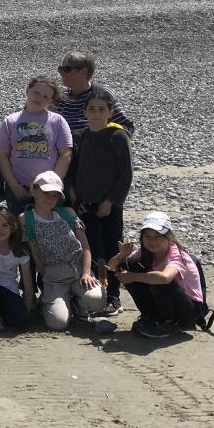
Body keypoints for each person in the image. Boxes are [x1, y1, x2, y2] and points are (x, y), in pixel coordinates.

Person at [68, 86, 134, 316]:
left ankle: (114, 296)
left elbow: (125, 173)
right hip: (84, 205)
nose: (96, 113)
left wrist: (111, 201)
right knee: (90, 248)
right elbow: (72, 173)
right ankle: (93, 294)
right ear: (85, 112)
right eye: (91, 109)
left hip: (109, 206)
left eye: (101, 109)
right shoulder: (80, 137)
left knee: (111, 248)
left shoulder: (117, 136)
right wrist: (75, 200)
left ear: (110, 111)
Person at [21, 171, 108, 333]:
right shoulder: (25, 218)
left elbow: (86, 247)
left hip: (79, 270)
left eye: (54, 195)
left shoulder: (68, 213)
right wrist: (45, 274)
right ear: (33, 190)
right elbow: (34, 251)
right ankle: (52, 301)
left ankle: (78, 303)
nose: (49, 198)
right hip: (54, 275)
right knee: (57, 324)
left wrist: (87, 273)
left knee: (98, 302)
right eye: (46, 193)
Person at [108, 212, 207, 340]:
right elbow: (110, 266)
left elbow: (165, 277)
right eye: (147, 237)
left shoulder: (177, 255)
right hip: (165, 302)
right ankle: (151, 315)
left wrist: (132, 277)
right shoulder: (146, 252)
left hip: (188, 312)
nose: (152, 241)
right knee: (128, 264)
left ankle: (170, 324)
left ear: (168, 237)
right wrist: (121, 256)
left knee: (158, 280)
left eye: (157, 237)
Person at [0, 75, 71, 215]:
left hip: (49, 191)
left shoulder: (58, 121)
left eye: (45, 97)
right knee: (20, 230)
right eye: (36, 92)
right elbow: (2, 154)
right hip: (19, 188)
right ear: (27, 90)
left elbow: (65, 153)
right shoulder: (10, 121)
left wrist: (53, 184)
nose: (39, 98)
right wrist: (14, 186)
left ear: (51, 100)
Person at [55, 51, 135, 136]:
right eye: (60, 70)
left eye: (66, 70)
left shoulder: (102, 94)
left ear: (84, 72)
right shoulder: (61, 97)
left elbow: (126, 126)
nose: (62, 74)